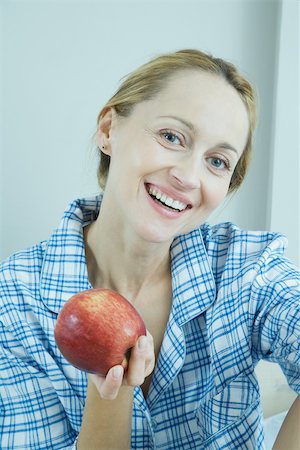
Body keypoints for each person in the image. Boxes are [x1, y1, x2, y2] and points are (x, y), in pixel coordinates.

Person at [0, 49, 299, 450]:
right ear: (109, 129)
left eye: (217, 161)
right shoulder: (14, 302)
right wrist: (112, 396)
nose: (188, 177)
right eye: (171, 137)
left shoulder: (245, 269)